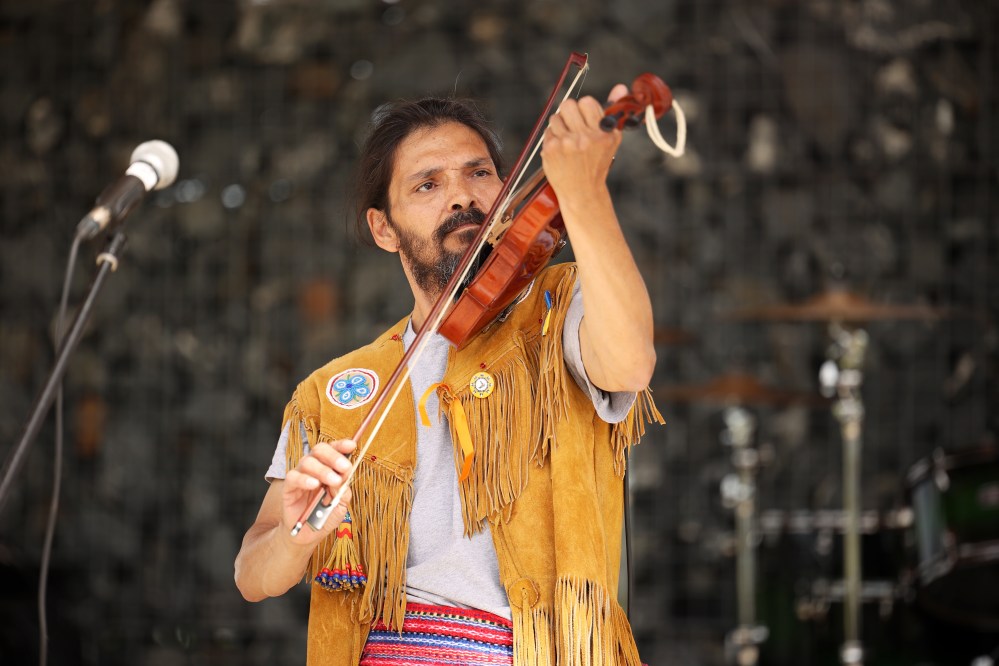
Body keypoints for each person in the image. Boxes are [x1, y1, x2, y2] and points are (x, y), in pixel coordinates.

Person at [234, 86, 662, 666]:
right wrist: (297, 535)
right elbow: (253, 576)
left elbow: (630, 360)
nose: (461, 195)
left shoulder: (560, 310)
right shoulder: (333, 390)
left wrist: (583, 193)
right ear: (384, 229)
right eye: (427, 184)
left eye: (479, 173)